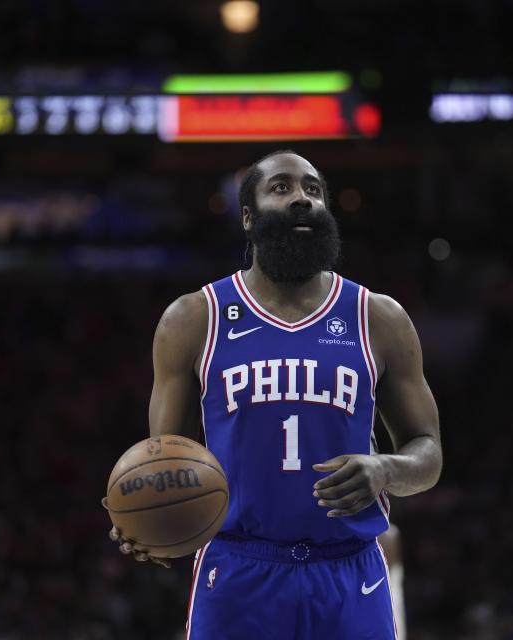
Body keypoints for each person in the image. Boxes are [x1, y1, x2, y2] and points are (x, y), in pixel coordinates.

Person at [109, 150, 442, 639]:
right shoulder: (194, 319)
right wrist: (148, 519)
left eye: (313, 189)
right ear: (248, 217)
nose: (302, 199)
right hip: (238, 568)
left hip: (349, 573)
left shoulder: (379, 318)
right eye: (282, 188)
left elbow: (428, 453)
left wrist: (387, 468)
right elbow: (168, 463)